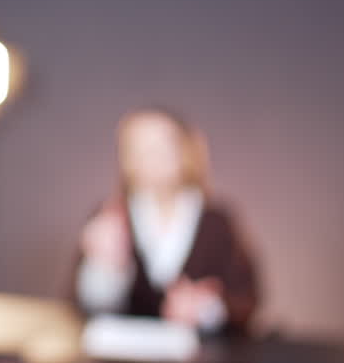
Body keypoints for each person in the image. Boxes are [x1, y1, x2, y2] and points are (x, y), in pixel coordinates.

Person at [73, 108, 259, 334]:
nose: (149, 157)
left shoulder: (217, 222)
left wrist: (206, 308)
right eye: (136, 148)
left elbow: (246, 299)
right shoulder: (110, 217)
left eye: (159, 146)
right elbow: (85, 307)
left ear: (186, 150)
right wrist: (104, 270)